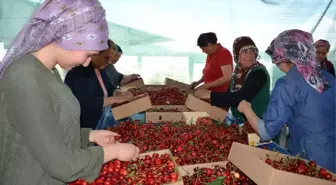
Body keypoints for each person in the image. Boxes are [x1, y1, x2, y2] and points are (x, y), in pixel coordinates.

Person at [0, 1, 139, 185]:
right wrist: (112, 152)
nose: (87, 63)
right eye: (88, 54)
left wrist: (89, 136)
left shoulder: (48, 72)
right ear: (69, 37)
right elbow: (60, 163)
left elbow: (45, 132)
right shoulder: (25, 77)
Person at [238, 29, 336, 173]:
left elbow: (266, 132)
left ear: (283, 55)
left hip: (312, 162)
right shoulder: (329, 77)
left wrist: (246, 109)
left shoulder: (287, 84)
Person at [194, 36, 270, 122]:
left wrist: (210, 95)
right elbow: (229, 92)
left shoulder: (259, 73)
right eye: (244, 51)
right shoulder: (239, 72)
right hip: (242, 122)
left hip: (259, 126)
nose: (249, 55)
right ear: (237, 55)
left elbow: (241, 97)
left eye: (252, 51)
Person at [65, 39, 133, 129]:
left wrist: (117, 93)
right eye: (106, 57)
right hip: (85, 127)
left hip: (100, 119)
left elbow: (110, 88)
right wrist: (115, 99)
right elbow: (87, 103)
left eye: (111, 58)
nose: (109, 62)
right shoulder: (80, 74)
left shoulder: (100, 70)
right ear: (95, 54)